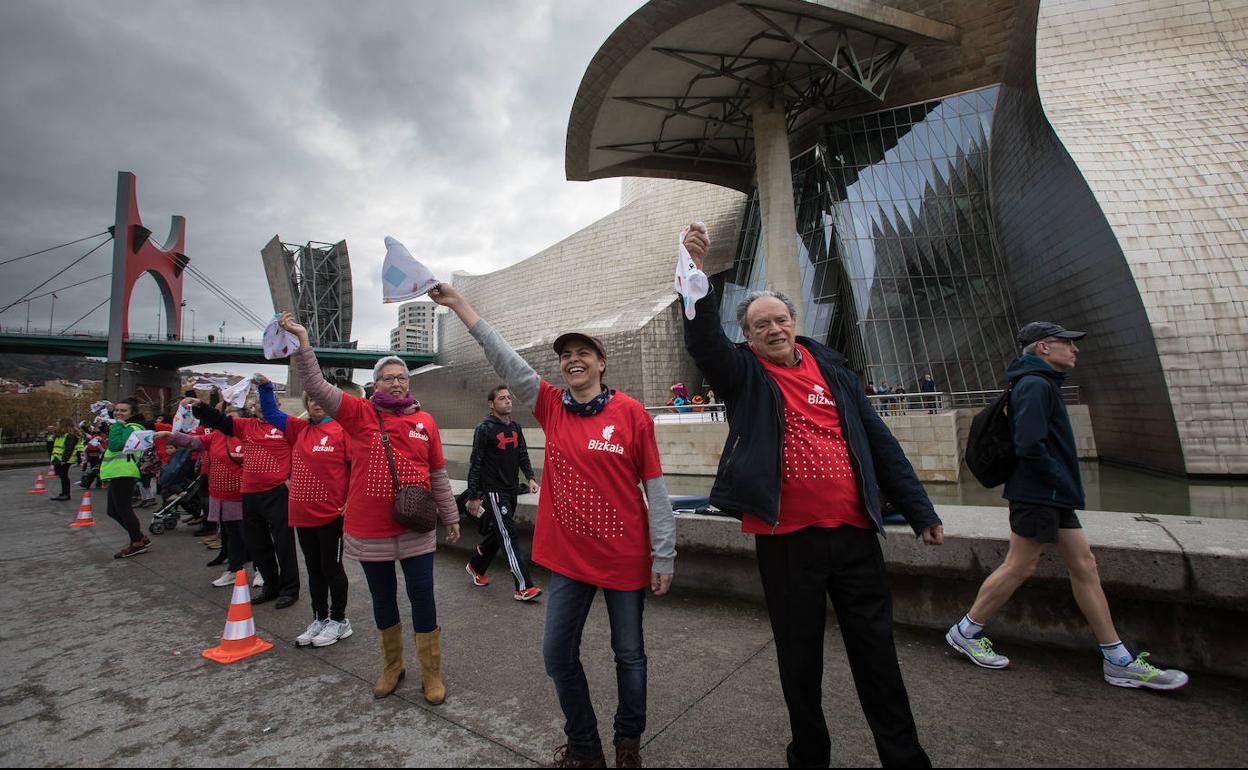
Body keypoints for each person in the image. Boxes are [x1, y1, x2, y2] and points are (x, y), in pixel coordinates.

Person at [680, 222, 942, 768]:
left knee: (877, 654)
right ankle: (811, 754)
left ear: (794, 324)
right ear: (748, 337)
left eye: (780, 319)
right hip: (787, 542)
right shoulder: (743, 373)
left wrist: (918, 509)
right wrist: (692, 274)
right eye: (760, 324)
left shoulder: (835, 371)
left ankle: (903, 756)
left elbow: (877, 439)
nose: (773, 329)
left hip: (854, 535)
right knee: (800, 659)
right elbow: (704, 343)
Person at [430, 283, 676, 769]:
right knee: (557, 655)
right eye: (565, 355)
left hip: (625, 558)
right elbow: (502, 357)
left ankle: (628, 744)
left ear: (602, 363)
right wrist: (459, 305)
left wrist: (663, 553)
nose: (573, 360)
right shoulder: (549, 405)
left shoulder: (631, 415)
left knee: (629, 655)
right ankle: (585, 747)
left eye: (583, 353)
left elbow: (657, 491)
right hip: (569, 561)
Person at [946, 322, 1189, 690]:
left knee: (1084, 564)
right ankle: (966, 630)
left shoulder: (1041, 383)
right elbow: (1029, 444)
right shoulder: (1034, 385)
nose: (1075, 350)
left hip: (1051, 495)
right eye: (1067, 343)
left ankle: (1117, 658)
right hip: (1038, 493)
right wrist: (1058, 478)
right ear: (1043, 347)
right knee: (1020, 565)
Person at [278, 311, 460, 703]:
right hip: (369, 529)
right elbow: (315, 385)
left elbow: (439, 474)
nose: (396, 383)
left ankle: (431, 673)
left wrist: (452, 515)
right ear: (373, 383)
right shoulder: (358, 414)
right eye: (388, 377)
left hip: (415, 526)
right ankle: (392, 667)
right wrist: (304, 342)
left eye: (402, 377)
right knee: (382, 599)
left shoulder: (425, 421)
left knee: (423, 597)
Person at [255, 373, 355, 648]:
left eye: (320, 397)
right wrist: (265, 388)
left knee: (331, 567)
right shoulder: (299, 429)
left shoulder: (342, 430)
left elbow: (357, 467)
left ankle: (339, 620)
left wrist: (351, 499)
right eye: (310, 398)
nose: (315, 402)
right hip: (302, 513)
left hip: (331, 514)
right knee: (313, 569)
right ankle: (320, 617)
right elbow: (272, 413)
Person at [193, 387, 298, 609]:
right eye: (256, 404)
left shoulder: (286, 426)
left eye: (266, 403)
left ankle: (290, 589)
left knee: (283, 543)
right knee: (258, 544)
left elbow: (301, 454)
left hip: (277, 492)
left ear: (276, 406)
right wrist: (200, 407)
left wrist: (290, 479)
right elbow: (220, 421)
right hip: (249, 493)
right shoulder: (245, 426)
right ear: (252, 408)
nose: (260, 407)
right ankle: (271, 586)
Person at [464, 384, 541, 601]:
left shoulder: (515, 427)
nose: (508, 401)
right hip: (494, 492)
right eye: (502, 398)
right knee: (508, 536)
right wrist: (474, 494)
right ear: (492, 404)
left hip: (512, 490)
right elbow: (475, 463)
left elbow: (522, 454)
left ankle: (475, 566)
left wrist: (531, 477)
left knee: (499, 534)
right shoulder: (484, 429)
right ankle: (523, 586)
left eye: (509, 397)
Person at [155, 409, 249, 586]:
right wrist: (173, 436)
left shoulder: (248, 435)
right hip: (221, 494)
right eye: (226, 417)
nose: (229, 422)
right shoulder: (215, 436)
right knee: (231, 533)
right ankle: (233, 567)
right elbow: (193, 442)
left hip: (244, 494)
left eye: (234, 418)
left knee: (247, 534)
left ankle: (253, 570)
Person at [100, 398, 151, 559]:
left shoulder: (133, 427)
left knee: (124, 509)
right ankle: (138, 536)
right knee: (112, 511)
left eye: (123, 411)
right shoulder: (124, 426)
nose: (118, 413)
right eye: (116, 410)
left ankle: (137, 541)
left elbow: (116, 445)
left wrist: (116, 424)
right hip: (116, 472)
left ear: (132, 413)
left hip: (124, 472)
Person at [48, 417, 82, 501]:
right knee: (62, 476)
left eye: (58, 424)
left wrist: (64, 460)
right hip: (59, 458)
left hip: (64, 460)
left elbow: (69, 449)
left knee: (64, 476)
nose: (57, 425)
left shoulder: (70, 436)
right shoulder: (62, 435)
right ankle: (64, 493)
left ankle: (66, 494)